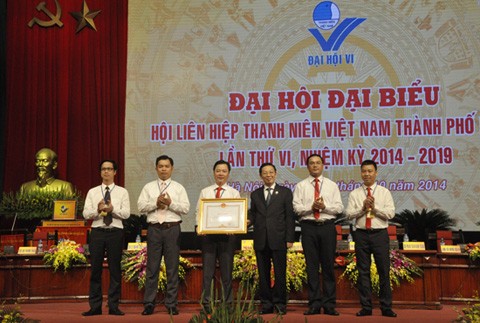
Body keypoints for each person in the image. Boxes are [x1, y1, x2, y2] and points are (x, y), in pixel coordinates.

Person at [138, 155, 190, 316]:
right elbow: (140, 206)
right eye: (160, 166)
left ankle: (171, 303)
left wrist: (170, 203)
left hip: (172, 229)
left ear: (172, 168)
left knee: (172, 267)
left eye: (167, 166)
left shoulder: (178, 187)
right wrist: (155, 202)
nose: (163, 169)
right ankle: (149, 303)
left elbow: (186, 208)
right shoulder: (148, 187)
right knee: (152, 267)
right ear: (156, 168)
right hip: (154, 229)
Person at [292, 154, 343, 316]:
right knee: (311, 267)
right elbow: (297, 208)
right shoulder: (301, 186)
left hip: (327, 227)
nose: (315, 166)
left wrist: (324, 206)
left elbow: (339, 208)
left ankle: (329, 304)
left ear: (323, 165)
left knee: (328, 266)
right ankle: (314, 303)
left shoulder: (331, 185)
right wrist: (311, 206)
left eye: (318, 163)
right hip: (308, 228)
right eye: (311, 163)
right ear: (307, 167)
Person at [345, 160, 397, 318]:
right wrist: (362, 208)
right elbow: (348, 215)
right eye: (364, 171)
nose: (367, 174)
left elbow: (390, 214)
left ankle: (386, 307)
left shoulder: (384, 192)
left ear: (376, 173)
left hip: (380, 234)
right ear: (361, 173)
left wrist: (375, 208)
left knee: (383, 271)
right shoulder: (355, 193)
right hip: (361, 234)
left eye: (370, 171)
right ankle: (366, 306)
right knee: (363, 272)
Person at [82, 160, 130, 316]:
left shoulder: (122, 192)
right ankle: (95, 306)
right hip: (97, 232)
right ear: (100, 172)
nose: (106, 172)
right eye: (103, 169)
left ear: (115, 172)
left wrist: (112, 209)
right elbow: (86, 214)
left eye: (109, 169)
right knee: (95, 270)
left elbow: (126, 214)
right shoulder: (93, 191)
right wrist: (98, 209)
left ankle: (113, 306)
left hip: (115, 232)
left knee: (115, 270)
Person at [249, 163, 295, 315]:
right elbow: (254, 215)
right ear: (260, 175)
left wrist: (290, 238)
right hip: (261, 239)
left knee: (280, 273)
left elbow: (289, 217)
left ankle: (280, 303)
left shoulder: (285, 192)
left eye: (271, 172)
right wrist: (246, 220)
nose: (268, 175)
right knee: (263, 274)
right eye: (265, 173)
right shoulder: (255, 194)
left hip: (279, 239)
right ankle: (266, 304)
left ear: (275, 174)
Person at [196, 160, 240, 313]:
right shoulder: (205, 191)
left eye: (224, 171)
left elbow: (237, 213)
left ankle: (227, 305)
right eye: (218, 171)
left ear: (228, 173)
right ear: (213, 172)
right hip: (208, 237)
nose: (221, 173)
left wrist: (233, 226)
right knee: (208, 273)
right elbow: (199, 212)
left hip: (227, 238)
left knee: (227, 273)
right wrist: (199, 226)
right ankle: (206, 304)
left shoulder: (234, 193)